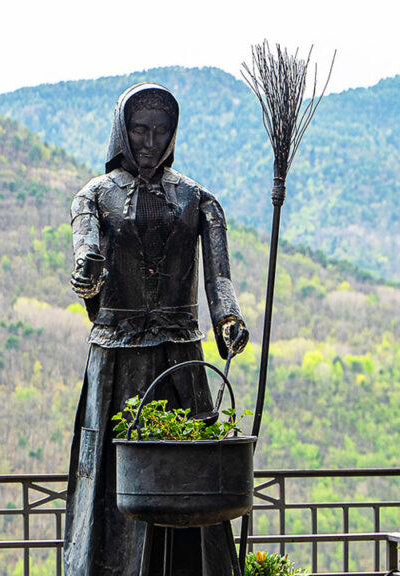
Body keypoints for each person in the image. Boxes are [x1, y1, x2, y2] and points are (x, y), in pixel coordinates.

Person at [64, 82, 248, 576]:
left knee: (191, 473)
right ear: (122, 132)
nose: (149, 141)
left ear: (172, 134)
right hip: (117, 357)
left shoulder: (197, 198)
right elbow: (86, 259)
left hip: (179, 356)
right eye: (140, 130)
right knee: (107, 468)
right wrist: (88, 275)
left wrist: (227, 317)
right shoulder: (93, 197)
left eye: (160, 130)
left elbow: (219, 275)